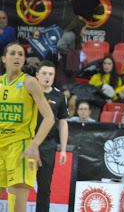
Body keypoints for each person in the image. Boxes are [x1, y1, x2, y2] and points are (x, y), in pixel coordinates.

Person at [0, 42, 54, 212]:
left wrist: (34, 144)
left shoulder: (29, 82)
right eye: (13, 53)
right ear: (3, 58)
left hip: (21, 148)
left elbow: (49, 117)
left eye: (21, 54)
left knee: (16, 205)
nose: (17, 57)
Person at [35, 60, 69, 212]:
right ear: (37, 75)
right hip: (27, 143)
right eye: (44, 73)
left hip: (48, 146)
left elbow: (63, 123)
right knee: (19, 184)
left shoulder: (59, 96)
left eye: (50, 74)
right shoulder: (28, 93)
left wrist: (62, 149)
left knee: (44, 188)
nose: (47, 77)